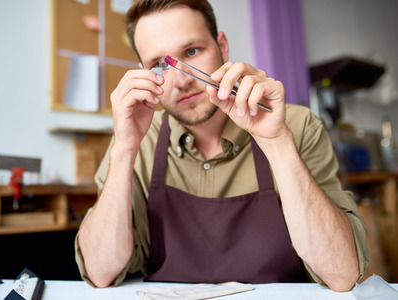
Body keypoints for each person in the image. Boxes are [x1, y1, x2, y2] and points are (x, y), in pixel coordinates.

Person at [75, 0, 369, 292]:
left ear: (222, 46)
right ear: (144, 72)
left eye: (192, 51)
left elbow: (342, 274)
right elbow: (101, 272)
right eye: (159, 65)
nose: (180, 81)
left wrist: (277, 143)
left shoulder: (296, 125)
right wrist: (125, 149)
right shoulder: (138, 139)